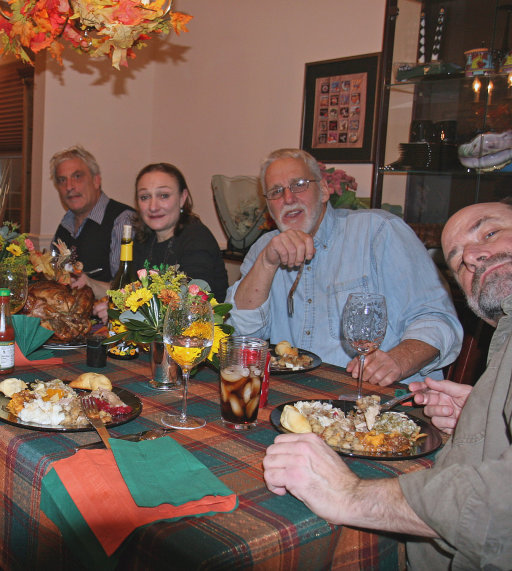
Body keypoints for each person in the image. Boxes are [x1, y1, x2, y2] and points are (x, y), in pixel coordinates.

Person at [263, 200, 512, 569]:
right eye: (457, 260)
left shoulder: (378, 230)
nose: (473, 256)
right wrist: (482, 415)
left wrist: (350, 494)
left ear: (325, 190)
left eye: (490, 232)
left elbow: (497, 511)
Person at [226, 148, 462, 385]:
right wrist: (267, 263)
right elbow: (237, 337)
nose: (288, 198)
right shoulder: (264, 249)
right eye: (276, 192)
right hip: (293, 398)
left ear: (325, 190)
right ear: (268, 205)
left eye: (299, 184)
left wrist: (398, 360)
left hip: (378, 398)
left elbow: (437, 319)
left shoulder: (379, 232)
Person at [132, 163, 228, 301]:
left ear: (182, 198)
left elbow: (193, 304)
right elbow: (125, 290)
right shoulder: (143, 238)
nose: (153, 207)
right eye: (145, 197)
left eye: (164, 195)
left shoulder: (197, 238)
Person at [50, 145, 134, 297]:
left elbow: (127, 291)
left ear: (96, 181)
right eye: (62, 180)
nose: (69, 187)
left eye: (77, 176)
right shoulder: (65, 224)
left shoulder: (122, 221)